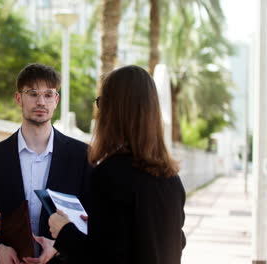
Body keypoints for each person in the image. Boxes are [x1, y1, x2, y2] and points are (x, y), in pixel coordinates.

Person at [48, 65, 186, 264]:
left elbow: (102, 257)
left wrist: (64, 231)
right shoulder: (171, 178)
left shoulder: (110, 174)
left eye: (101, 103)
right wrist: (98, 225)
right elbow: (173, 241)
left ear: (113, 111)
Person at [0, 63, 92, 264]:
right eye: (33, 93)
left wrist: (59, 248)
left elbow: (93, 222)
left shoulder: (82, 156)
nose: (41, 101)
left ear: (56, 100)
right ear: (19, 98)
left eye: (48, 94)